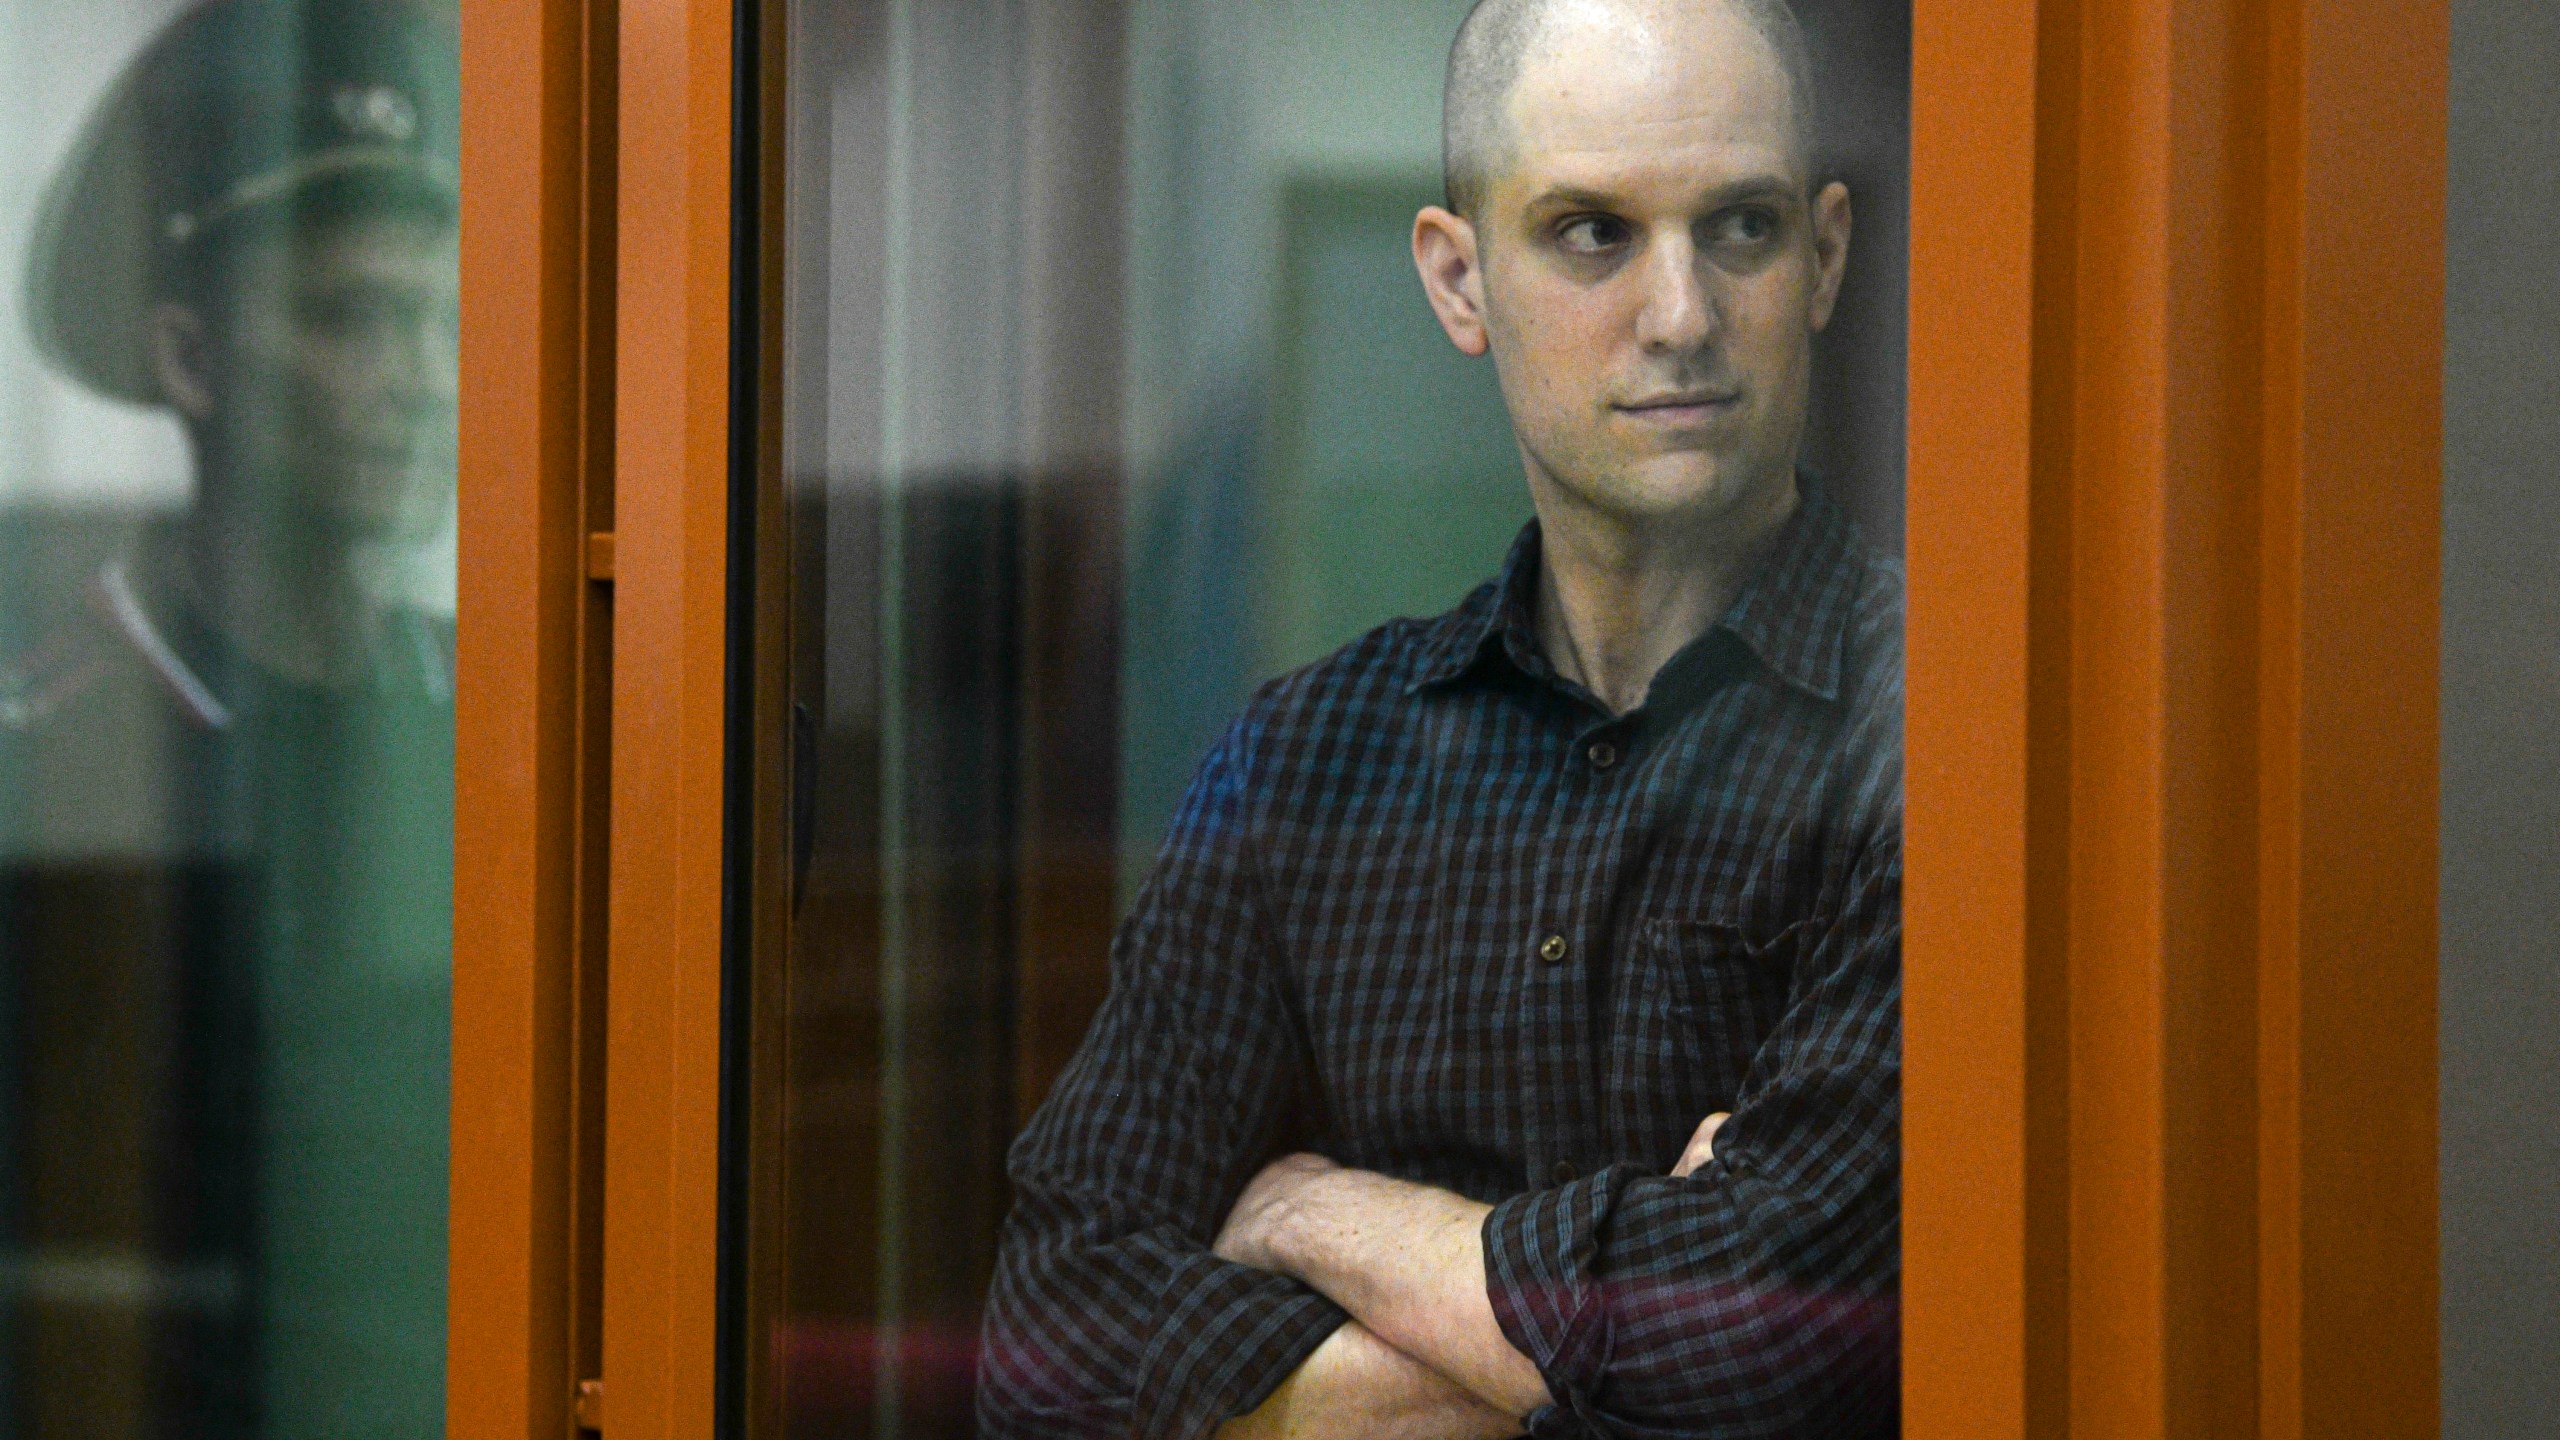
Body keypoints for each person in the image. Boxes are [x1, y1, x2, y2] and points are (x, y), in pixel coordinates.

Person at [978, 1, 1899, 1436]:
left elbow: (1759, 1365)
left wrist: (1312, 1217)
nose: (1681, 314)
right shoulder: (1308, 762)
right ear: (1459, 282)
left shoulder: (1950, 730)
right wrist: (1595, 1332)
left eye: (1741, 227)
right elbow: (1049, 1344)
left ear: (1826, 254)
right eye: (1593, 232)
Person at [0, 1, 458, 1435]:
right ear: (192, 360)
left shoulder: (502, 716)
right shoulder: (63, 755)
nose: (426, 385)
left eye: (444, 322)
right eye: (354, 319)